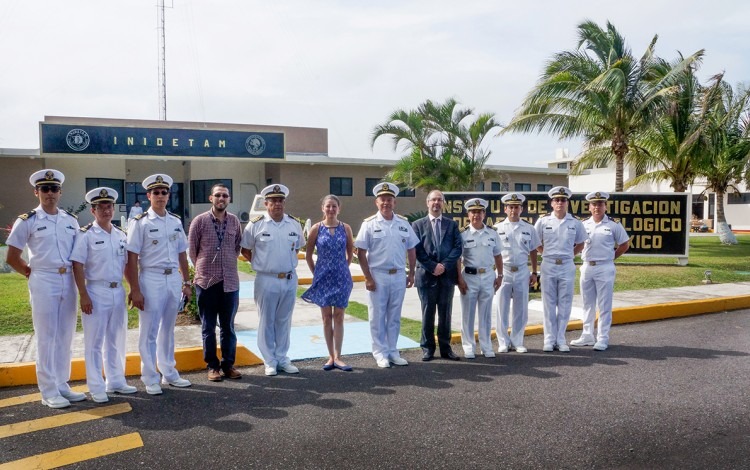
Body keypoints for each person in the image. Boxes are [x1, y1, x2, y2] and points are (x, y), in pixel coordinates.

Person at [5, 169, 83, 409]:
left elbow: (78, 254)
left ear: (60, 192)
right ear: (36, 192)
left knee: (65, 335)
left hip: (67, 279)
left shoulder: (70, 220)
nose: (50, 193)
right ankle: (48, 390)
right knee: (47, 336)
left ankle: (61, 384)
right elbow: (12, 256)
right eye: (45, 189)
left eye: (54, 189)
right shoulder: (28, 220)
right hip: (43, 280)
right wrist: (30, 272)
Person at [126, 174, 192, 395]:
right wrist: (135, 289)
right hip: (151, 278)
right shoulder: (140, 223)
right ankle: (150, 377)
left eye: (164, 192)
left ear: (168, 195)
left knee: (168, 329)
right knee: (149, 331)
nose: (160, 196)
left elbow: (182, 252)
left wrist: (186, 281)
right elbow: (132, 257)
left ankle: (169, 373)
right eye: (156, 192)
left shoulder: (174, 221)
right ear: (148, 196)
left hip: (173, 278)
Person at [71, 187, 137, 403]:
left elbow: (126, 265)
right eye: (101, 207)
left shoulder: (120, 235)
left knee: (116, 338)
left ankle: (116, 380)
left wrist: (131, 288)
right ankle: (96, 386)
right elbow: (77, 265)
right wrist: (83, 294)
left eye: (109, 206)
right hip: (95, 291)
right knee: (94, 342)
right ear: (93, 210)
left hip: (117, 290)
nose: (106, 211)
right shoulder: (86, 234)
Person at [240, 184, 304, 377]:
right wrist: (261, 263)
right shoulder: (256, 224)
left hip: (289, 278)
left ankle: (282, 358)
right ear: (266, 203)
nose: (277, 204)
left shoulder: (294, 224)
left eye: (280, 200)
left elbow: (298, 248)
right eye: (273, 201)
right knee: (266, 320)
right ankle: (269, 360)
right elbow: (245, 249)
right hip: (266, 279)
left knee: (284, 320)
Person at [355, 182, 419, 368]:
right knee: (377, 315)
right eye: (383, 200)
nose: (386, 203)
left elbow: (411, 249)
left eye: (389, 200)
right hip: (378, 275)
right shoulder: (369, 224)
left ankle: (392, 350)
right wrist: (367, 277)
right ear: (376, 202)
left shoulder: (403, 223)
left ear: (395, 202)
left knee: (394, 315)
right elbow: (360, 252)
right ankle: (379, 352)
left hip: (398, 274)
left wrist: (412, 273)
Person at [188, 183, 243, 382]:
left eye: (225, 196)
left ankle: (228, 365)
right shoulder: (200, 221)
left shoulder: (234, 222)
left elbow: (237, 247)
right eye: (218, 195)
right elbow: (192, 251)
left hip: (229, 282)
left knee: (228, 326)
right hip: (206, 283)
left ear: (229, 199)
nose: (222, 198)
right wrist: (203, 269)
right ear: (211, 198)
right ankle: (212, 366)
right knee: (208, 327)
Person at [571, 191, 630, 351]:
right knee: (587, 304)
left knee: (604, 304)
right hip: (587, 266)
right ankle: (587, 335)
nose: (597, 207)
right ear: (589, 207)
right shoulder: (583, 224)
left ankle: (602, 338)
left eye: (600, 204)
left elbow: (625, 244)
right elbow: (577, 244)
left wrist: (611, 257)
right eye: (594, 204)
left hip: (605, 267)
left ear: (605, 206)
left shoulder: (613, 224)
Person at [302, 195, 355, 371]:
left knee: (339, 316)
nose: (331, 209)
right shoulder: (316, 229)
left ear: (338, 208)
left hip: (341, 278)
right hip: (322, 278)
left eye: (334, 206)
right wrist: (316, 273)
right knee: (326, 317)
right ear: (323, 208)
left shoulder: (345, 228)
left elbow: (350, 253)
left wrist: (342, 269)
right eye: (328, 206)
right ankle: (330, 356)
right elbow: (308, 255)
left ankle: (339, 356)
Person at [534, 186, 586, 352]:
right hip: (548, 264)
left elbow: (581, 243)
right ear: (552, 203)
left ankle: (561, 338)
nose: (560, 203)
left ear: (567, 203)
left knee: (565, 303)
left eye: (563, 200)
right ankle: (549, 339)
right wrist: (547, 254)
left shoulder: (575, 222)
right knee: (548, 303)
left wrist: (569, 255)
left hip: (566, 265)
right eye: (557, 200)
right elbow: (536, 243)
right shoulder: (542, 221)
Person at [412, 189, 462, 362]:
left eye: (440, 200)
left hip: (446, 276)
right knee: (428, 312)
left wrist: (444, 266)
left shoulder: (452, 225)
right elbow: (417, 249)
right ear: (427, 203)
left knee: (445, 313)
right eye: (433, 200)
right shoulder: (417, 225)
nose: (436, 203)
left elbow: (457, 248)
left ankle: (446, 349)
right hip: (426, 276)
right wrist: (432, 266)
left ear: (443, 203)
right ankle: (427, 348)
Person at [494, 192, 541, 354]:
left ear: (521, 209)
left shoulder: (529, 228)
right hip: (504, 271)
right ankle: (503, 341)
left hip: (522, 270)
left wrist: (534, 272)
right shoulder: (497, 228)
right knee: (502, 307)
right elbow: (493, 252)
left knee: (521, 308)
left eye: (517, 207)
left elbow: (534, 250)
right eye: (510, 207)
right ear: (505, 209)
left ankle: (517, 340)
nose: (514, 210)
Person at [457, 198, 503, 359]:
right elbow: (458, 259)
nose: (476, 215)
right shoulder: (463, 234)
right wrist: (459, 279)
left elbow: (498, 255)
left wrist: (500, 275)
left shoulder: (492, 233)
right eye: (473, 212)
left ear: (484, 214)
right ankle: (468, 346)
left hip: (488, 276)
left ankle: (486, 346)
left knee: (485, 314)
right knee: (467, 314)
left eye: (479, 212)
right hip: (469, 277)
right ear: (468, 214)